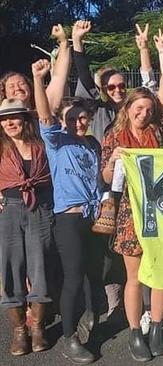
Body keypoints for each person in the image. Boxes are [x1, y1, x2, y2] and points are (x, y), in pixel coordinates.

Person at [33, 58, 103, 364]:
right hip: (69, 217)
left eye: (83, 118)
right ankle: (69, 337)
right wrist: (39, 79)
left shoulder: (91, 144)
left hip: (94, 216)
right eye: (73, 118)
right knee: (73, 276)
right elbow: (45, 112)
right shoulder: (56, 141)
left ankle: (91, 316)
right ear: (63, 120)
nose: (80, 122)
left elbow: (98, 178)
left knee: (93, 273)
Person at [100, 88, 163, 362]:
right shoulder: (114, 136)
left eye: (148, 110)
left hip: (157, 210)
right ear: (127, 108)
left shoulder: (156, 134)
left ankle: (158, 328)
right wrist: (114, 161)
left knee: (161, 272)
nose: (144, 114)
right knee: (135, 276)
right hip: (129, 210)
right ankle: (136, 330)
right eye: (139, 108)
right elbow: (105, 177)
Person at [0, 98, 54, 357]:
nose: (9, 122)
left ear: (25, 119)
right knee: (10, 268)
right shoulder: (1, 147)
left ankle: (38, 327)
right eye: (4, 118)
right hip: (8, 209)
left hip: (40, 208)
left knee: (39, 266)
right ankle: (20, 330)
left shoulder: (40, 145)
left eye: (15, 116)